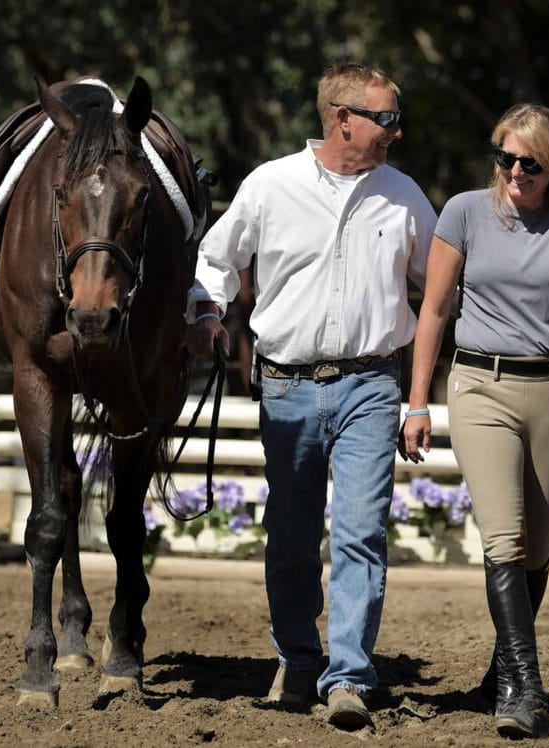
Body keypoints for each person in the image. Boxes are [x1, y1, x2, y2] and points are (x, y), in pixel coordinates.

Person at [186, 62, 437, 730]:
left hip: (372, 384)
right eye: (385, 119)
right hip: (287, 387)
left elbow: (439, 287)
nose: (395, 130)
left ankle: (348, 676)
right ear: (341, 116)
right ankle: (298, 657)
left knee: (360, 533)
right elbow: (216, 258)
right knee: (292, 538)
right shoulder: (271, 185)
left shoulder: (405, 196)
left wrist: (421, 394)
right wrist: (207, 313)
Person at [400, 103, 549, 739]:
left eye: (531, 162)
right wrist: (417, 399)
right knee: (504, 537)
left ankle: (501, 675)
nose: (515, 171)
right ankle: (527, 686)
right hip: (478, 384)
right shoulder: (462, 212)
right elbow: (433, 309)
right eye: (506, 157)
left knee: (537, 547)